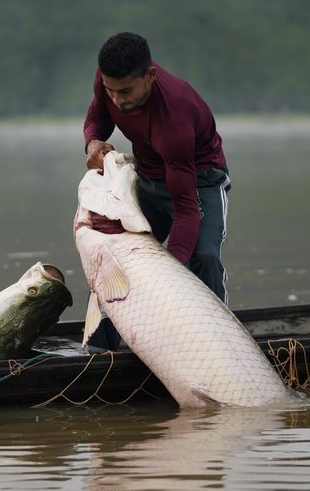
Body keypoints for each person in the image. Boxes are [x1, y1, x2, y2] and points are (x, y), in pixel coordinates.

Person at [84, 32, 231, 349]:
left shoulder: (173, 118)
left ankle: (216, 341)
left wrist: (168, 273)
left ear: (149, 75)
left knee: (202, 256)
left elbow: (186, 211)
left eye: (126, 91)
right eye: (111, 91)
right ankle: (99, 348)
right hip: (148, 177)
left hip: (199, 182)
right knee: (113, 257)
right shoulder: (108, 82)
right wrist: (93, 141)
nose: (118, 101)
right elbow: (98, 114)